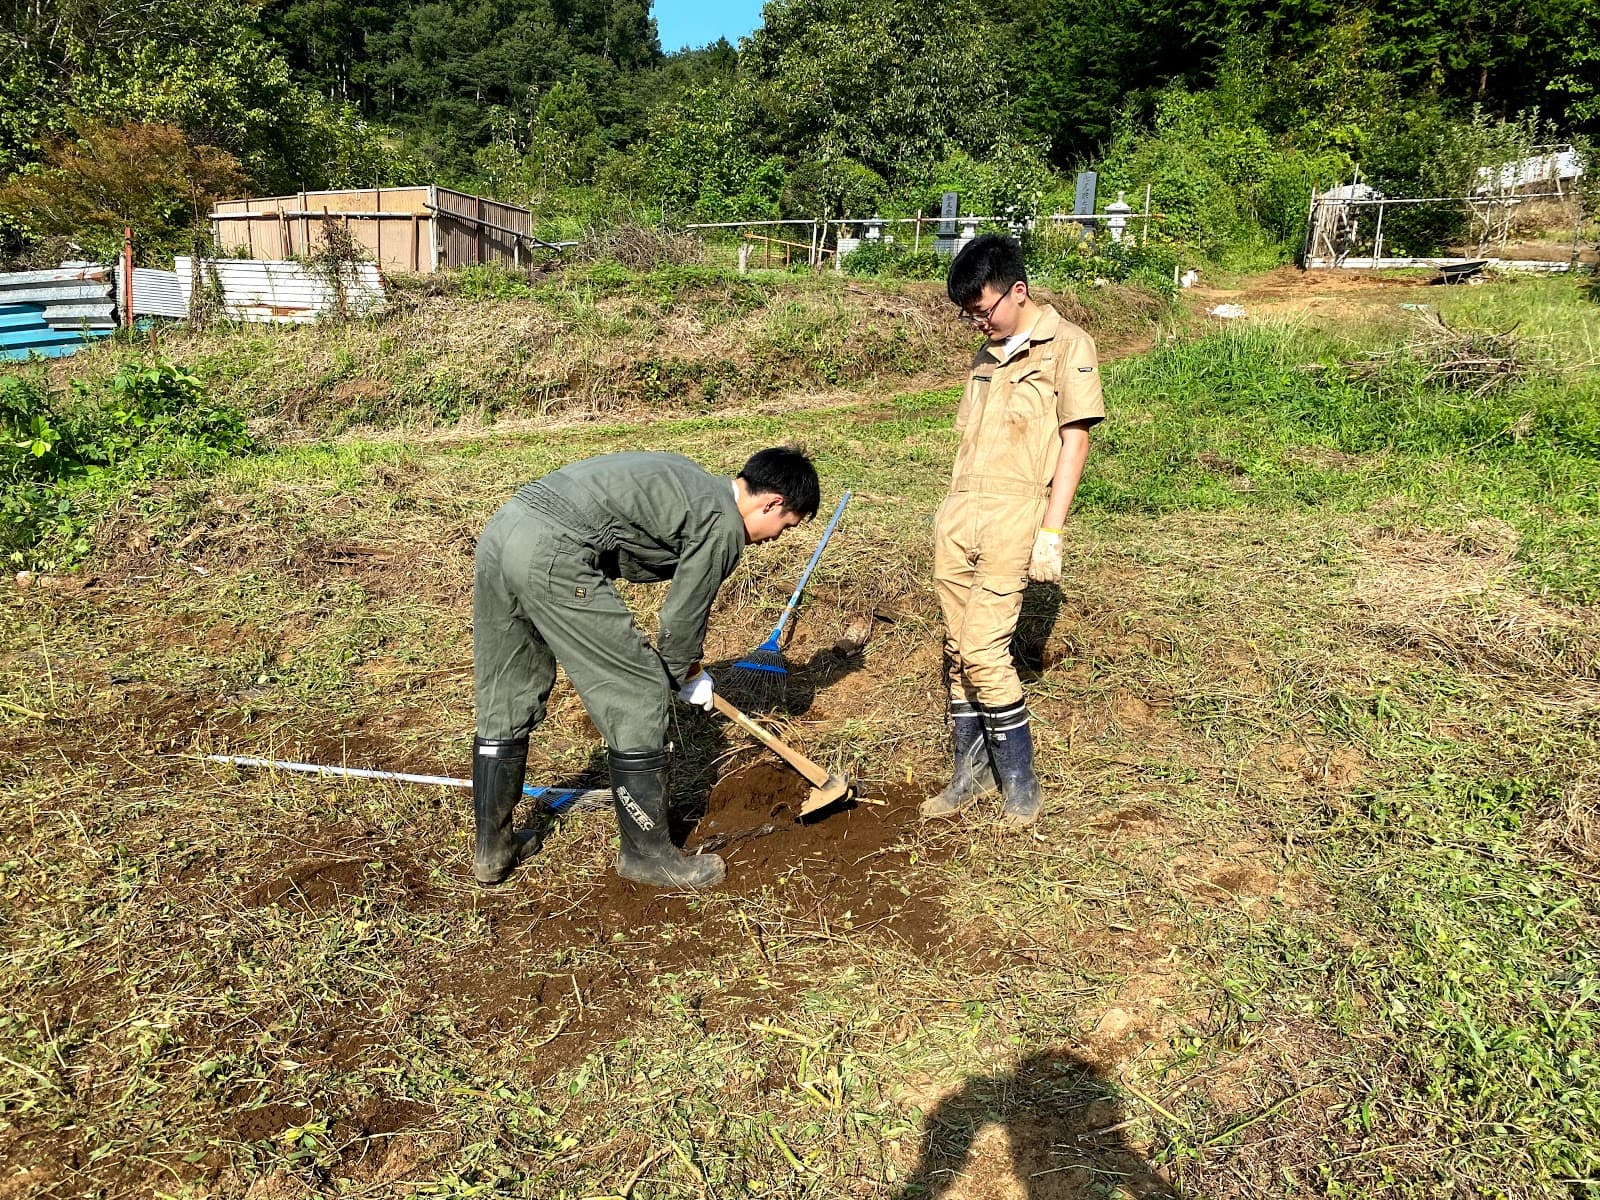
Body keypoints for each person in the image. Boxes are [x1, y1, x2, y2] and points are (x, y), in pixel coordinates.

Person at [471, 447, 821, 889]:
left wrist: (686, 668)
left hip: (506, 529)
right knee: (638, 690)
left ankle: (493, 849)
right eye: (784, 526)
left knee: (508, 687)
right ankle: (646, 855)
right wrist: (680, 674)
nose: (776, 538)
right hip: (553, 552)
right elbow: (680, 619)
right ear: (770, 502)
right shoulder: (723, 522)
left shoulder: (691, 478)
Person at [923, 234, 1104, 828]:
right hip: (960, 511)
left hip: (1014, 514)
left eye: (982, 309)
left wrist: (1051, 529)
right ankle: (969, 775)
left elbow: (1074, 440)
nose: (976, 323)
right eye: (967, 314)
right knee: (955, 649)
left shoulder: (1068, 347)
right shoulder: (985, 357)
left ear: (1017, 291)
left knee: (982, 650)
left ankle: (1020, 785)